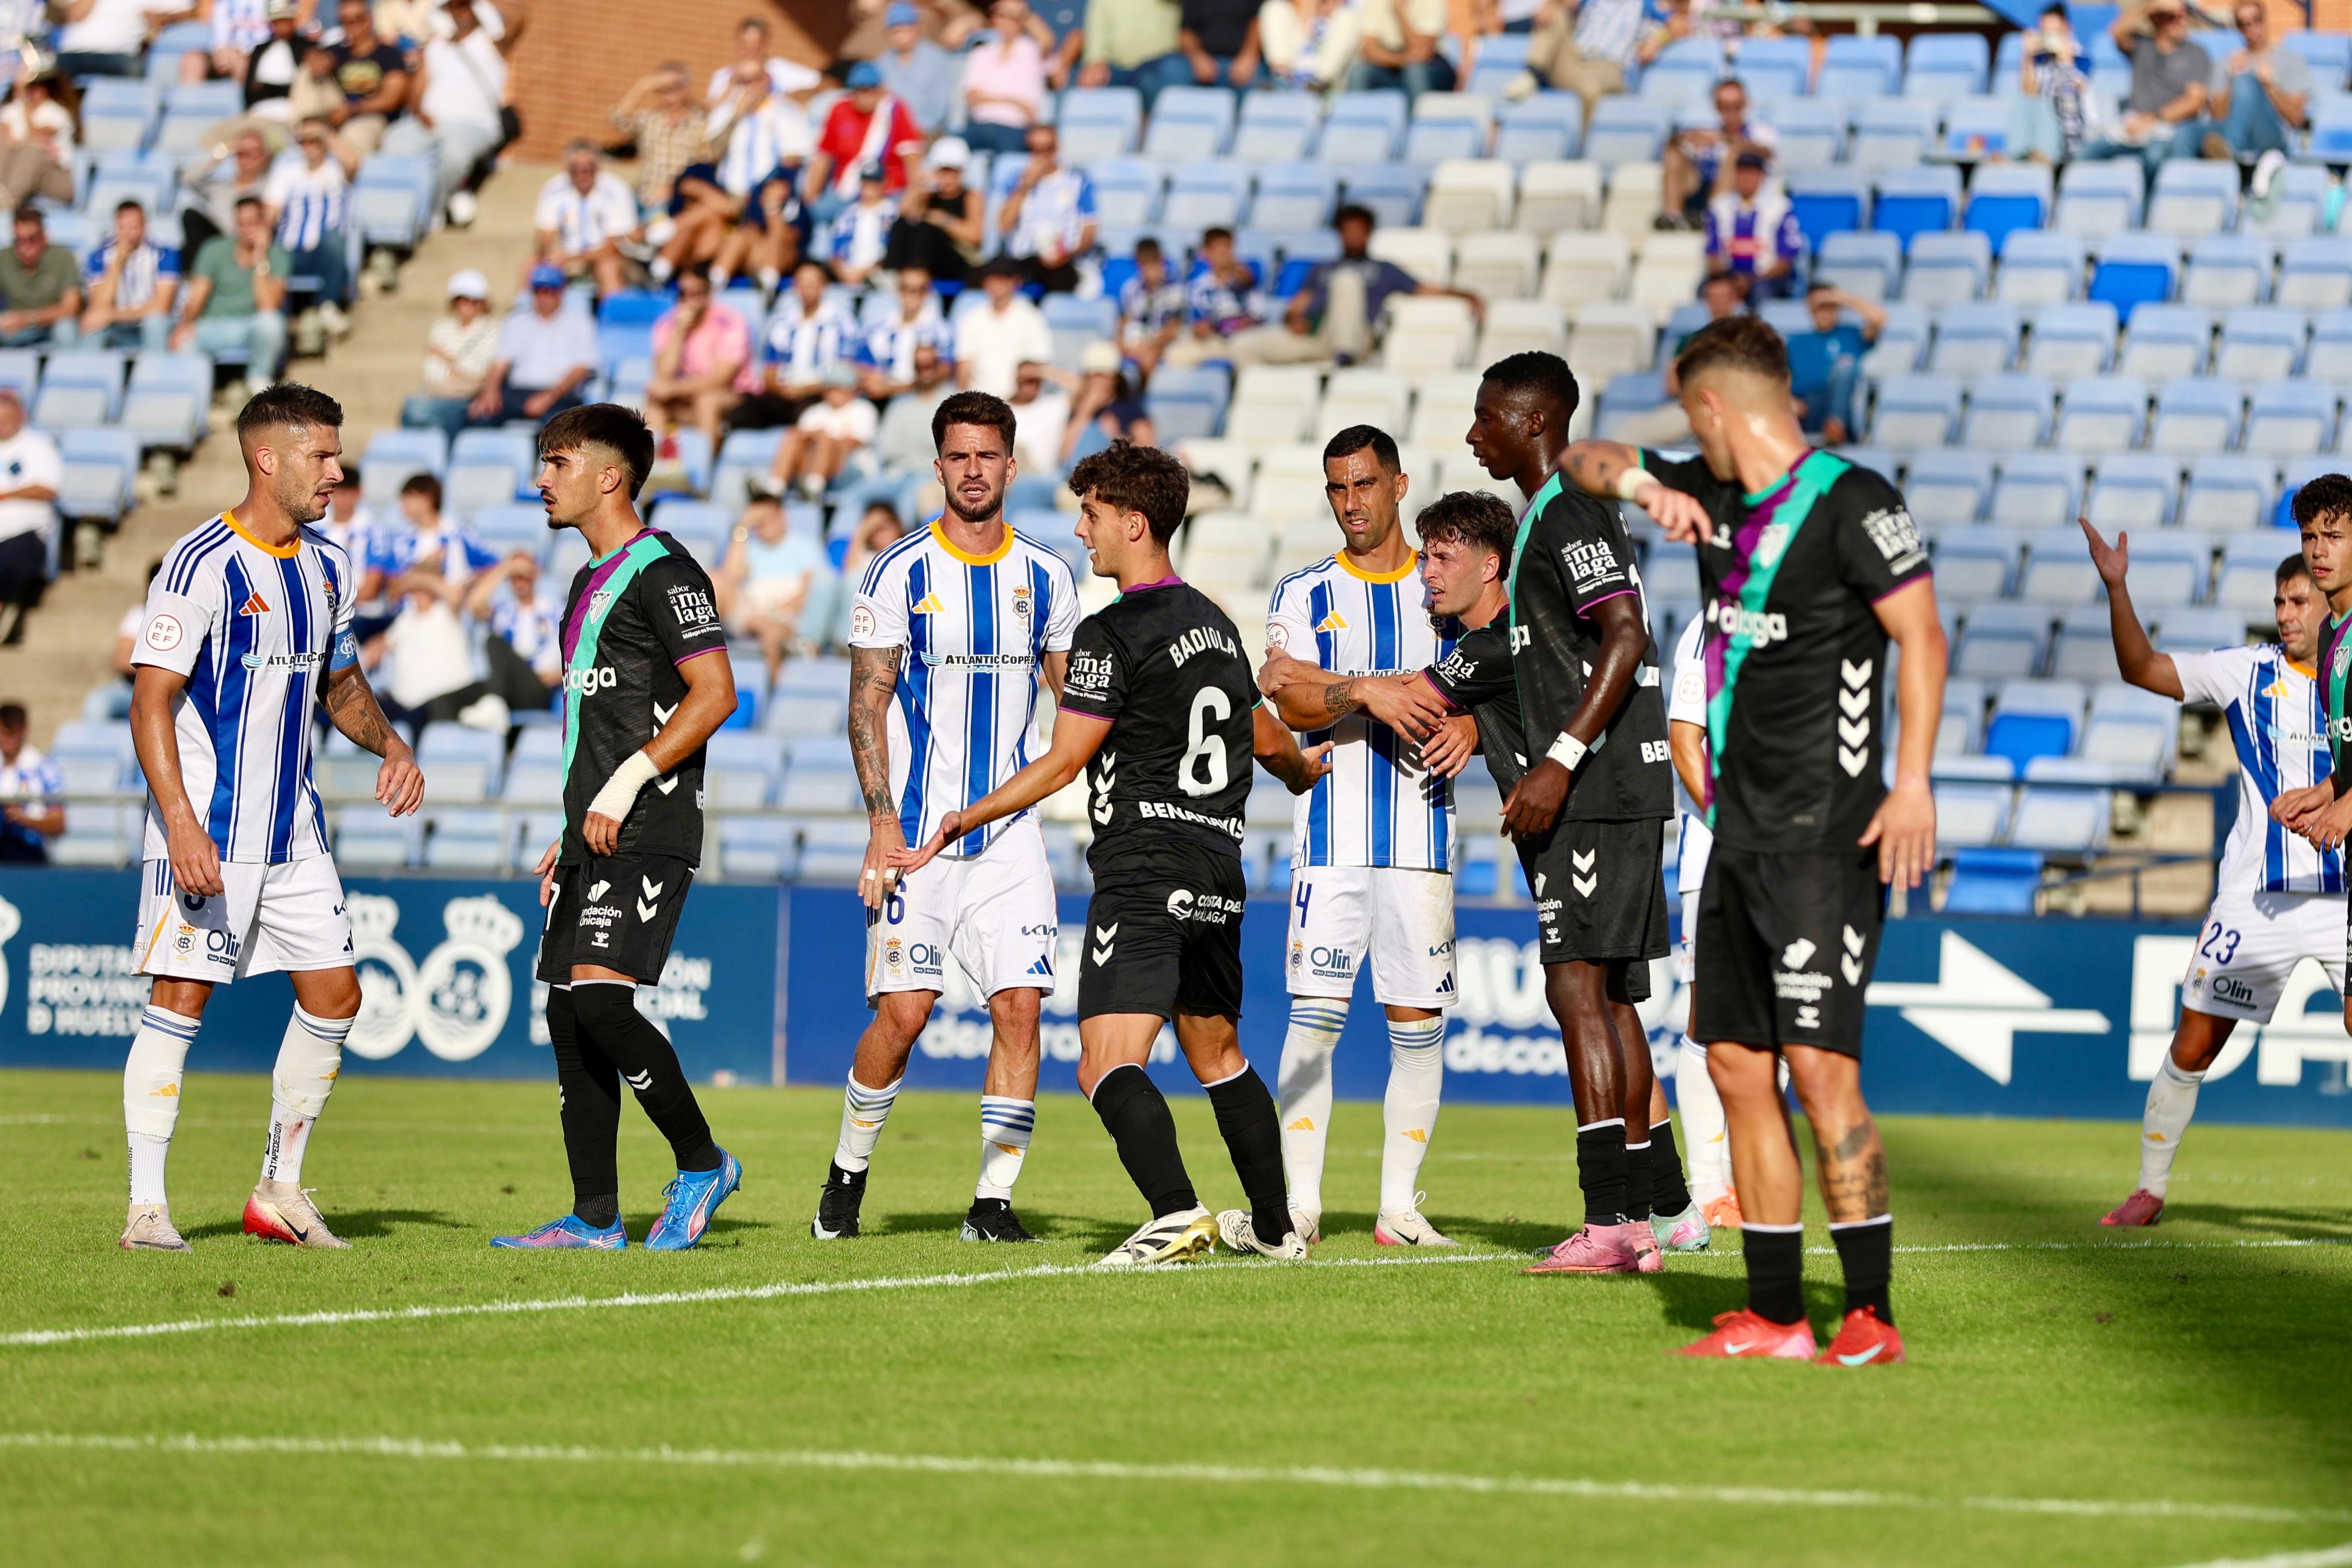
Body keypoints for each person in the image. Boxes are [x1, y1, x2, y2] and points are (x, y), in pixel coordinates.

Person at [1560, 313, 1945, 1364]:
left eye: (1688, 412)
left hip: (1825, 838)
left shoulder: (1853, 503)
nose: (1682, 433)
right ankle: (1776, 1314)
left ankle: (1867, 1312)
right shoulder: (1710, 492)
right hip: (1731, 836)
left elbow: (1921, 637)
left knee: (1821, 1072)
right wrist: (1646, 487)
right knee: (1734, 1063)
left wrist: (1912, 782)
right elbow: (1577, 457)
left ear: (1717, 403)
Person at [892, 441, 1326, 1268]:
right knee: (1219, 1054)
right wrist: (1305, 771)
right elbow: (1266, 735)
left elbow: (1063, 761)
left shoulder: (1110, 629)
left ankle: (1174, 1213)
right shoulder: (1212, 621)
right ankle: (1274, 1229)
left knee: (1102, 1062)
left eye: (1091, 513)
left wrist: (962, 818)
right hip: (1219, 867)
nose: (1081, 529)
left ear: (1134, 521)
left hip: (1145, 863)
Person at [120, 381, 425, 1255]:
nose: (337, 470)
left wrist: (393, 748)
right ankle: (147, 1207)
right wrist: (180, 822)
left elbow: (341, 683)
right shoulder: (198, 563)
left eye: (336, 453)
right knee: (180, 1000)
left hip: (295, 835)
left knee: (338, 995)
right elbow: (151, 702)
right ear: (268, 458)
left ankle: (279, 1189)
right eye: (322, 455)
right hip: (209, 830)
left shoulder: (328, 565)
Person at [811, 389, 1082, 1247]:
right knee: (905, 1014)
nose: (973, 470)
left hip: (1009, 839)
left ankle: (992, 1202)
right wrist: (881, 823)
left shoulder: (1046, 575)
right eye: (958, 456)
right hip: (918, 838)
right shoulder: (897, 572)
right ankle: (846, 1180)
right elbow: (866, 705)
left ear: (1011, 463)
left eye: (987, 455)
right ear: (939, 467)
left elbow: (1073, 703)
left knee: (1020, 1009)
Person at [492, 404, 744, 1252]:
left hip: (649, 820)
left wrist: (629, 782)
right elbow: (592, 727)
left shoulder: (665, 570)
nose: (541, 480)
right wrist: (570, 825)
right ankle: (596, 1216)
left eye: (556, 463)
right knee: (568, 1013)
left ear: (610, 476)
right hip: (593, 829)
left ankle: (703, 1162)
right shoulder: (585, 583)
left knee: (602, 999)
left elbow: (716, 693)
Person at [1457, 353, 1681, 1275]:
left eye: (1484, 418)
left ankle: (1610, 1222)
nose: (1474, 435)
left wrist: (1556, 758)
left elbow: (1626, 632)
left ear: (1527, 418)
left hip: (1598, 790)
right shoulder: (1539, 518)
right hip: (1603, 789)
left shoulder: (1570, 510)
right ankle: (1643, 1216)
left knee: (1577, 988)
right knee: (1607, 995)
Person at [2083, 523, 2342, 1227]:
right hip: (2256, 899)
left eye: (2297, 599)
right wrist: (2117, 589)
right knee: (2195, 1043)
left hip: (2344, 898)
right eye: (2278, 601)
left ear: (2329, 601)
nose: (2285, 613)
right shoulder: (2246, 671)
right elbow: (2142, 668)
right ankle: (2150, 1186)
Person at [1249, 426, 1467, 1247]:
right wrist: (1370, 691)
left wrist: (1474, 726)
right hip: (1331, 839)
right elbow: (1290, 706)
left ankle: (1398, 1209)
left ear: (1399, 485)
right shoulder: (1303, 592)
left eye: (1365, 485)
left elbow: (1480, 681)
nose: (1351, 503)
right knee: (1315, 1017)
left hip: (1421, 834)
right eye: (1338, 488)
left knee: (1417, 1024)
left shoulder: (1441, 587)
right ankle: (1301, 1204)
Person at [1225, 203, 1481, 367]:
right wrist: (1294, 319)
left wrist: (1466, 294)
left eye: (1360, 230)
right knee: (1242, 346)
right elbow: (1295, 308)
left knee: (1347, 280)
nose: (1354, 236)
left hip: (1357, 336)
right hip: (1318, 337)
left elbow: (1426, 290)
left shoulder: (1383, 269)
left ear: (1369, 233)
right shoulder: (1322, 269)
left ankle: (1345, 356)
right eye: (1348, 230)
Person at [380, 0, 522, 224]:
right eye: (454, 6)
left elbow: (520, 16)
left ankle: (432, 210)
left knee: (454, 155)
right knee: (394, 142)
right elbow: (417, 90)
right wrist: (419, 112)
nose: (460, 12)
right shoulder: (436, 46)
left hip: (475, 125)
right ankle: (396, 217)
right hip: (431, 123)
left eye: (465, 5)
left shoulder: (492, 43)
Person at [2081, 0, 2210, 181]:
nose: (2183, 21)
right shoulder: (2142, 46)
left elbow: (2195, 101)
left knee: (2154, 157)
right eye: (2174, 16)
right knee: (2085, 155)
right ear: (2157, 20)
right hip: (2131, 129)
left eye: (2184, 15)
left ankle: (2147, 208)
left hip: (2168, 129)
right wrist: (2151, 7)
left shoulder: (2196, 53)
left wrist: (2152, 119)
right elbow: (2116, 33)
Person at [172, 196, 289, 385]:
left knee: (272, 324)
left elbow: (268, 306)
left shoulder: (277, 256)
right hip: (214, 325)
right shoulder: (213, 249)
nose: (247, 229)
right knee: (185, 342)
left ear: (263, 224)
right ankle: (192, 392)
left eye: (253, 223)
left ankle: (258, 381)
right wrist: (185, 325)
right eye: (242, 224)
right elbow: (197, 296)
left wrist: (260, 258)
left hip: (251, 326)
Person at [2178, 0, 2308, 170]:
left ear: (2265, 20)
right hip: (2232, 129)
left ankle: (2229, 151)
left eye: (2257, 20)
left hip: (2272, 133)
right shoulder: (2227, 63)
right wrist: (2230, 79)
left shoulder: (2291, 60)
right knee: (2184, 134)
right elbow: (2218, 116)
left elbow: (2296, 119)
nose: (2252, 28)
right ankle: (2188, 186)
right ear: (2238, 29)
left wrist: (2270, 85)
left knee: (2245, 81)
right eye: (2243, 24)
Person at [715, 490, 826, 682]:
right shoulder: (749, 545)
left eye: (768, 518)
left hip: (786, 615)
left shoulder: (805, 545)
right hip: (751, 612)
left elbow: (813, 590)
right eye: (759, 520)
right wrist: (743, 526)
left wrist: (773, 612)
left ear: (783, 516)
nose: (763, 525)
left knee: (771, 633)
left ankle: (776, 687)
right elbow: (730, 577)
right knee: (714, 581)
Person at [466, 264, 596, 427]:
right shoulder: (517, 321)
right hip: (519, 391)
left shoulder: (580, 322)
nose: (544, 297)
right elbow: (500, 361)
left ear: (561, 292)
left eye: (550, 291)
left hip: (561, 394)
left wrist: (550, 395)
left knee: (557, 426)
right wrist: (490, 391)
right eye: (539, 291)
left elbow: (583, 367)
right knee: (479, 415)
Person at [734, 257, 857, 428]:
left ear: (824, 286)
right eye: (803, 283)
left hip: (819, 394)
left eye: (813, 284)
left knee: (807, 417)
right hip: (783, 394)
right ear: (795, 286)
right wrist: (783, 389)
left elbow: (846, 370)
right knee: (741, 413)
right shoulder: (780, 323)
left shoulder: (841, 322)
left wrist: (807, 389)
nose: (807, 290)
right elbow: (769, 370)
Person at [645, 265, 754, 451]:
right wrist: (679, 332)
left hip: (735, 395)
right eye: (683, 293)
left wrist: (674, 389)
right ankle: (652, 469)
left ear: (709, 294)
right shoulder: (667, 324)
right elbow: (664, 373)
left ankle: (704, 471)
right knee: (655, 403)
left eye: (697, 293)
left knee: (706, 401)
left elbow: (721, 380)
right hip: (688, 396)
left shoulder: (730, 322)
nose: (690, 300)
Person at [264, 118, 353, 342]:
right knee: (273, 255)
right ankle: (278, 319)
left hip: (325, 249)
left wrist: (324, 134)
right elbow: (271, 211)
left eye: (315, 141)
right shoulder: (286, 171)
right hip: (291, 248)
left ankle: (327, 305)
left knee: (334, 240)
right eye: (304, 141)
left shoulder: (336, 168)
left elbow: (354, 162)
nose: (309, 146)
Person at [804, 62, 923, 228]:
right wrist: (811, 196)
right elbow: (824, 155)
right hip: (846, 191)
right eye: (858, 90)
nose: (863, 96)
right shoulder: (840, 108)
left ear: (880, 90)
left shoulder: (894, 110)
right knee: (807, 218)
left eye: (869, 90)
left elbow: (912, 158)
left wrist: (912, 196)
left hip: (888, 193)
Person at [995, 122, 1096, 295]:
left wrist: (1067, 253)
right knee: (986, 276)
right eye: (1036, 150)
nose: (1043, 156)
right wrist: (1025, 187)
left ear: (1058, 149)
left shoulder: (1078, 181)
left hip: (1062, 258)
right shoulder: (1016, 181)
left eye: (1048, 149)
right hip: (1023, 257)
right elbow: (1004, 226)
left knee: (1061, 281)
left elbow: (1089, 231)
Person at [1663, 77, 1775, 231]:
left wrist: (1727, 140)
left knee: (1734, 157)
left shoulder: (1761, 131)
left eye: (1737, 106)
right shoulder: (1709, 132)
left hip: (1737, 196)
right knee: (1674, 155)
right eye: (1724, 106)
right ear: (1716, 107)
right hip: (1701, 189)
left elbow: (1767, 152)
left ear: (1746, 104)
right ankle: (1672, 217)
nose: (1731, 112)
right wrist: (1687, 137)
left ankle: (1713, 219)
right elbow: (1672, 145)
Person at [1515, 0, 1647, 127]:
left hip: (1610, 67)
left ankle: (1582, 146)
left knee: (1590, 89)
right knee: (1555, 13)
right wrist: (1550, 3)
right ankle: (1531, 73)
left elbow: (1668, 21)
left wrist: (1658, 40)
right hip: (1577, 59)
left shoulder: (1646, 4)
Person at [533, 142, 640, 300]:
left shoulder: (616, 189)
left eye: (588, 169)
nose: (582, 175)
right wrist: (550, 253)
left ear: (598, 167)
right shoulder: (554, 188)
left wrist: (572, 258)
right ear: (568, 169)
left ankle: (611, 320)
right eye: (576, 169)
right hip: (567, 257)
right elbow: (546, 235)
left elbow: (614, 247)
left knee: (607, 268)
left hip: (605, 258)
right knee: (530, 267)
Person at [460, 548, 560, 715]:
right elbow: (474, 604)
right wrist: (506, 568)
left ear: (535, 575)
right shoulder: (503, 613)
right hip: (509, 688)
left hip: (540, 687)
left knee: (494, 642)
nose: (519, 583)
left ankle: (495, 705)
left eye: (524, 576)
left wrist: (562, 674)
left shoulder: (556, 611)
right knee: (450, 700)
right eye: (514, 578)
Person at [402, 269, 499, 434]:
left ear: (482, 303)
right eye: (461, 300)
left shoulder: (493, 330)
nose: (466, 305)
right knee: (412, 407)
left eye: (472, 300)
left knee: (432, 413)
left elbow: (480, 372)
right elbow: (432, 372)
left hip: (468, 400)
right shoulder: (441, 328)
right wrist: (460, 372)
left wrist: (446, 358)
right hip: (439, 395)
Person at [609, 64, 708, 218]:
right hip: (642, 196)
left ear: (687, 88)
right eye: (663, 87)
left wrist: (674, 187)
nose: (669, 92)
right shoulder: (650, 119)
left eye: (675, 86)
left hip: (675, 201)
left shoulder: (701, 123)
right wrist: (642, 87)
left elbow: (704, 164)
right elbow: (618, 119)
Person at [882, 135, 982, 286]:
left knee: (927, 229)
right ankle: (892, 274)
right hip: (929, 257)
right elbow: (903, 213)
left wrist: (944, 221)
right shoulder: (929, 196)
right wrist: (919, 184)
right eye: (943, 172)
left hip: (957, 258)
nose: (948, 178)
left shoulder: (970, 196)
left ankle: (916, 277)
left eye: (953, 172)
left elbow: (975, 236)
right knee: (904, 225)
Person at [80, 200, 180, 353]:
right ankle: (88, 373)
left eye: (134, 227)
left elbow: (162, 307)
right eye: (123, 228)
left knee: (155, 323)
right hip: (117, 328)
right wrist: (117, 265)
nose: (128, 234)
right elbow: (99, 307)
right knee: (93, 327)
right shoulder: (99, 256)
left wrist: (113, 315)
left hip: (149, 324)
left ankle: (155, 372)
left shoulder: (165, 254)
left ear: (145, 226)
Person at [1160, 224, 1263, 369]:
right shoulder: (1199, 287)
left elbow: (1248, 279)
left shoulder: (1247, 272)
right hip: (1216, 340)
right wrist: (1201, 330)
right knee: (1175, 354)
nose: (1223, 254)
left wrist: (1231, 268)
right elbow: (1198, 323)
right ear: (1206, 253)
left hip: (1248, 337)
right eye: (1217, 249)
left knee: (1243, 347)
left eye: (1227, 248)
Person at [0, 386, 59, 633]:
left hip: (24, 533)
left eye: (7, 417)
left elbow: (49, 488)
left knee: (7, 563)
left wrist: (6, 495)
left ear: (21, 416)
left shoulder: (38, 446)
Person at [2008, 3, 2099, 165]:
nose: (2050, 38)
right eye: (2045, 33)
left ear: (2067, 30)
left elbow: (2067, 94)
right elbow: (2029, 94)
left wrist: (2065, 60)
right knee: (2027, 101)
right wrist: (2027, 57)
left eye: (2055, 33)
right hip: (2043, 128)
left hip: (2073, 130)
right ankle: (2019, 154)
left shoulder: (2081, 59)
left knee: (2050, 102)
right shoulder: (2039, 60)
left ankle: (2041, 154)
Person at [1704, 151, 1801, 301]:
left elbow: (1784, 262)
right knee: (1711, 290)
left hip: (1766, 279)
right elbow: (1713, 255)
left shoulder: (1780, 207)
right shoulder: (1720, 207)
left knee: (1761, 292)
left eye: (1751, 173)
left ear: (1761, 177)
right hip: (1729, 279)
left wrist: (1751, 281)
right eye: (1742, 173)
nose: (1746, 179)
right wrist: (1732, 282)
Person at [775, 363, 878, 500]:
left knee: (825, 440)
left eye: (839, 388)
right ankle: (775, 488)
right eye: (830, 388)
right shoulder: (814, 412)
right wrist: (812, 436)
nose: (833, 393)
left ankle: (814, 486)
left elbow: (854, 443)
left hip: (851, 468)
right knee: (792, 438)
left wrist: (821, 437)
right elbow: (800, 437)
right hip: (811, 463)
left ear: (851, 390)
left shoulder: (864, 410)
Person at [957, 256, 1055, 399]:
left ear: (1016, 281)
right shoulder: (971, 318)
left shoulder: (1032, 317)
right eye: (992, 279)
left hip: (1020, 403)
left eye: (1002, 279)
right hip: (980, 404)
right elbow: (964, 368)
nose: (996, 285)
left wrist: (1018, 402)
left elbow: (1038, 367)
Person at [855, 265, 955, 402]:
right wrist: (872, 381)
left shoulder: (941, 330)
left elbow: (944, 371)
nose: (912, 295)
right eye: (906, 288)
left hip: (920, 397)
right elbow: (862, 363)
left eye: (920, 289)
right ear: (898, 291)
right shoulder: (877, 328)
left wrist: (894, 389)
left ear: (928, 293)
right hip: (878, 396)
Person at [962, 0, 1049, 155]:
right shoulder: (980, 53)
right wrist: (1014, 101)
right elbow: (973, 99)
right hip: (980, 125)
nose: (1008, 23)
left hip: (1014, 128)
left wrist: (1022, 11)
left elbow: (1047, 40)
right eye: (1002, 16)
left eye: (1014, 18)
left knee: (1009, 154)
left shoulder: (1030, 51)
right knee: (949, 147)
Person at [179, 126, 276, 262]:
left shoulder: (271, 188)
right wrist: (221, 153)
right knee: (191, 217)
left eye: (255, 153)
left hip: (250, 243)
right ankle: (198, 274)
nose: (249, 158)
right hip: (216, 243)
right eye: (243, 153)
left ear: (264, 157)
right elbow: (187, 178)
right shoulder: (219, 188)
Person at [1140, 0, 1261, 104]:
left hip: (1242, 61)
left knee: (1258, 83)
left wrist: (1248, 56)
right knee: (1170, 70)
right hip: (1200, 61)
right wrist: (1198, 58)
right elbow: (1186, 32)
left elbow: (1259, 22)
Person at [0, 206, 83, 349]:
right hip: (17, 330)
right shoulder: (4, 258)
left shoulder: (63, 258)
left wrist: (28, 319)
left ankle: (69, 370)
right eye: (18, 241)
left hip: (52, 325)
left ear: (44, 237)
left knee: (65, 328)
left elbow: (71, 307)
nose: (24, 248)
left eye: (31, 240)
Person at [1061, 340, 1154, 465]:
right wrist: (1086, 412)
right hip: (1079, 475)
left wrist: (1117, 437)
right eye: (1092, 376)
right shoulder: (1079, 409)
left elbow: (1149, 451)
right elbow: (1064, 456)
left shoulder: (1130, 407)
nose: (1097, 381)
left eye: (1103, 376)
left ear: (1115, 378)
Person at [703, 12, 822, 108]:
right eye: (745, 45)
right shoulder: (723, 76)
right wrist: (733, 82)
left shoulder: (781, 69)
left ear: (765, 45)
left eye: (755, 46)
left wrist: (785, 98)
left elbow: (820, 84)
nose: (749, 52)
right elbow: (710, 112)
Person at [0, 69, 80, 211]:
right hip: (17, 173)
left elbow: (37, 133)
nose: (33, 91)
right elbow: (4, 136)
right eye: (29, 87)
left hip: (55, 176)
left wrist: (25, 142)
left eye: (38, 86)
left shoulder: (57, 112)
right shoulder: (12, 109)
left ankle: (10, 202)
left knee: (33, 152)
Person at [876, 2, 957, 132]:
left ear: (918, 30)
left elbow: (941, 106)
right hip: (892, 132)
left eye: (907, 30)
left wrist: (916, 129)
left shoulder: (936, 58)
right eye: (896, 32)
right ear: (888, 35)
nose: (902, 37)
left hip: (929, 130)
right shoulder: (882, 63)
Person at [55, 0, 189, 78]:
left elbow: (191, 10)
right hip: (73, 54)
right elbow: (75, 15)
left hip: (119, 55)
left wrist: (163, 17)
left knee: (134, 72)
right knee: (48, 74)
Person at [0, 701, 63, 862]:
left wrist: (23, 819)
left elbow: (59, 823)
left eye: (13, 733)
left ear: (24, 731)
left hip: (30, 853)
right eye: (4, 733)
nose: (9, 740)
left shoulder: (42, 767)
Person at [1116, 235, 1186, 379]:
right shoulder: (1130, 289)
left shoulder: (1176, 290)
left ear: (1162, 261)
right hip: (1138, 340)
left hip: (1164, 343)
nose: (1150, 269)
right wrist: (1123, 343)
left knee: (1148, 359)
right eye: (1144, 264)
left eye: (1154, 263)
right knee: (1107, 355)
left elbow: (1173, 329)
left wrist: (1149, 345)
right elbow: (1125, 322)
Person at [1078, 0, 1179, 95]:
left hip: (1161, 64)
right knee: (1091, 86)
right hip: (1116, 66)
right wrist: (1096, 61)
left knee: (1167, 74)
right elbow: (1097, 28)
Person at [821, 163, 898, 285]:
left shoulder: (893, 213)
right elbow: (835, 253)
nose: (869, 188)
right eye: (866, 183)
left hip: (880, 276)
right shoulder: (846, 214)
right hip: (846, 276)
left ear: (883, 184)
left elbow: (893, 251)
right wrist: (844, 274)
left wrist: (865, 272)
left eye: (874, 183)